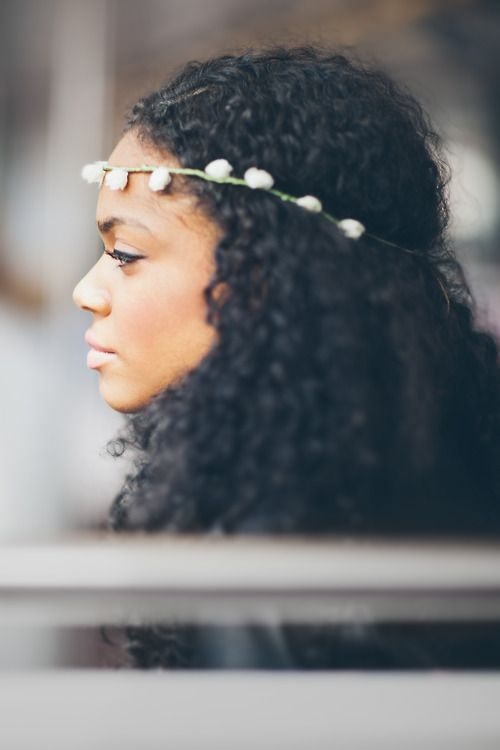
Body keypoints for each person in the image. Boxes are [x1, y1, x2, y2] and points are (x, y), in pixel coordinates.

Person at [74, 46, 500, 668]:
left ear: (267, 274)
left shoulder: (285, 545)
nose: (87, 292)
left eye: (127, 254)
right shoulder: (402, 465)